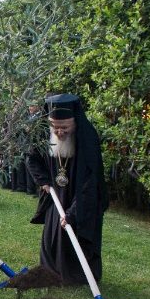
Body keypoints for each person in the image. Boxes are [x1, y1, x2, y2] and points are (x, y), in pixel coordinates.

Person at [26, 93, 108, 284]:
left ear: (75, 123)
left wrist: (73, 212)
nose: (59, 132)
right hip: (56, 192)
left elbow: (91, 181)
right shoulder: (42, 134)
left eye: (64, 127)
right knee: (52, 234)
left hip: (81, 195)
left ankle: (77, 275)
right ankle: (50, 270)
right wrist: (43, 180)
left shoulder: (87, 138)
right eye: (55, 127)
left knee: (76, 231)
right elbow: (31, 158)